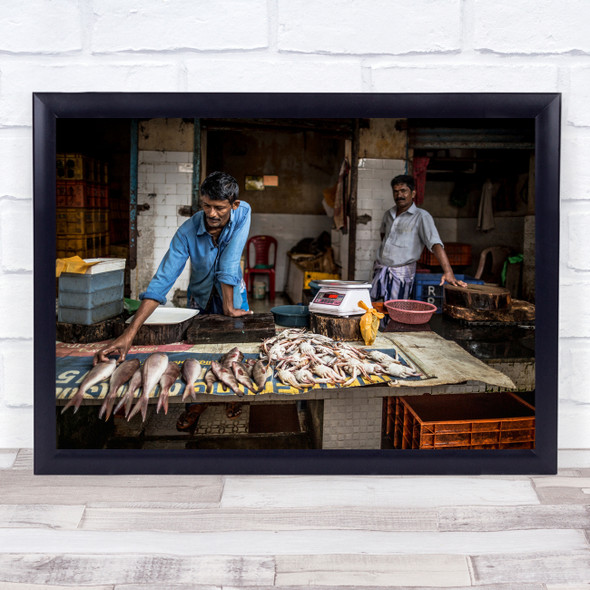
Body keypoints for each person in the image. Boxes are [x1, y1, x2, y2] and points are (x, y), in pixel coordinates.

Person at [94, 170, 252, 429]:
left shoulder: (243, 211)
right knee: (197, 356)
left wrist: (230, 307)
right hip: (199, 299)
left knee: (234, 353)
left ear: (233, 205)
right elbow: (161, 283)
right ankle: (195, 402)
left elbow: (230, 260)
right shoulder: (187, 232)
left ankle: (232, 398)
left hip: (233, 295)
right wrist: (129, 333)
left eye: (219, 208)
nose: (211, 214)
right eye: (206, 206)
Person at [371, 174, 467, 303]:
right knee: (372, 308)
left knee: (395, 310)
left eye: (404, 191)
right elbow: (384, 235)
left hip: (401, 273)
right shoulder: (389, 214)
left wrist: (448, 272)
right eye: (396, 192)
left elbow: (435, 244)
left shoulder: (422, 216)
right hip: (381, 269)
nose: (399, 195)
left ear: (413, 193)